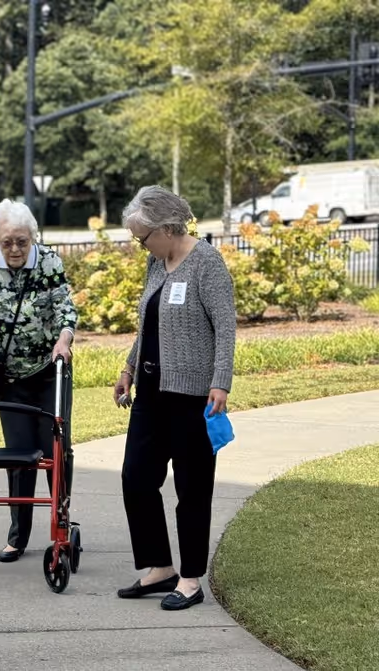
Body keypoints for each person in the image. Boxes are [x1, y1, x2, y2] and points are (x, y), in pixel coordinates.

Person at [112, 185, 236, 611]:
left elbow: (225, 327)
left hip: (193, 396)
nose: (139, 245)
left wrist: (221, 382)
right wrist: (128, 368)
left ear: (167, 227)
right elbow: (148, 325)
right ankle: (159, 567)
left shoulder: (206, 263)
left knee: (192, 488)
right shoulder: (156, 263)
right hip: (150, 393)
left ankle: (189, 578)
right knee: (136, 478)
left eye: (141, 237)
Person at [0, 198, 78, 563]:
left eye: (22, 241)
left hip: (49, 368)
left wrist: (63, 340)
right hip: (8, 375)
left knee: (55, 449)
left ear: (32, 237)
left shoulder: (49, 261)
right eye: (7, 242)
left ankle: (60, 527)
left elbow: (65, 308)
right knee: (19, 455)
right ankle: (18, 537)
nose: (15, 249)